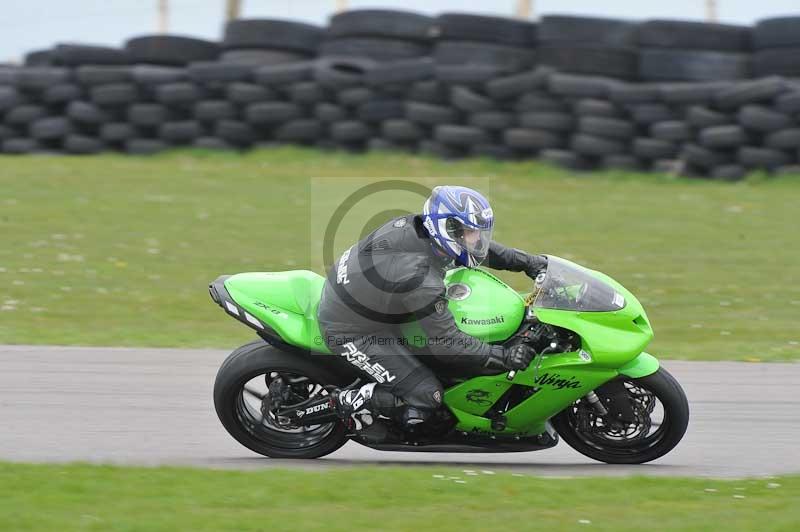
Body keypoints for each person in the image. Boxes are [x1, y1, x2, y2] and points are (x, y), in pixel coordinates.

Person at [317, 185, 547, 430]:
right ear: (449, 229)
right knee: (428, 395)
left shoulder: (422, 229)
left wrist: (530, 263)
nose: (477, 239)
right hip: (351, 330)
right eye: (471, 232)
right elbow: (447, 343)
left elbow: (479, 250)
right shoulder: (419, 277)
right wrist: (505, 357)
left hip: (371, 302)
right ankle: (347, 401)